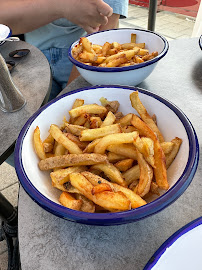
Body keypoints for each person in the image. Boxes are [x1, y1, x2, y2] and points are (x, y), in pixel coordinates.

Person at [1, 0, 128, 100]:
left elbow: (103, 35)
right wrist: (62, 6)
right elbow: (4, 22)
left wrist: (68, 96)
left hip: (80, 58)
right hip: (28, 56)